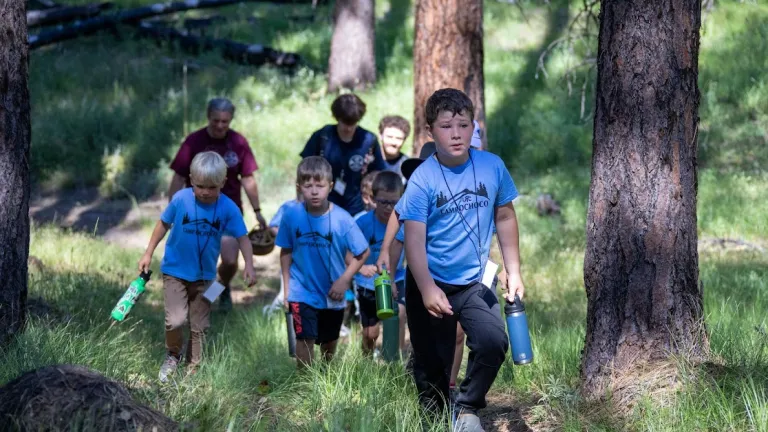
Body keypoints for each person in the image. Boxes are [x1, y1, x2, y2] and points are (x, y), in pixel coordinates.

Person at [395, 88, 525, 431]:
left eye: (464, 125)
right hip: (430, 280)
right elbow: (413, 241)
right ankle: (436, 421)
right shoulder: (422, 178)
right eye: (446, 126)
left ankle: (467, 406)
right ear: (430, 131)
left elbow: (506, 218)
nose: (456, 134)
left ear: (473, 127)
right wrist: (425, 288)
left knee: (493, 341)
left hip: (473, 281)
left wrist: (514, 271)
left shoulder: (491, 166)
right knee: (431, 364)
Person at [138, 152, 256, 382]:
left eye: (212, 187)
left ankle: (194, 370)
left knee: (200, 324)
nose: (204, 192)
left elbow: (242, 237)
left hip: (205, 277)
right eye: (200, 186)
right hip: (175, 272)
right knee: (176, 320)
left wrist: (249, 265)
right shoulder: (181, 199)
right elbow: (163, 224)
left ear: (223, 183)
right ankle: (173, 354)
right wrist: (148, 252)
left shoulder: (228, 208)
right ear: (191, 179)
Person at [167, 98, 267, 311]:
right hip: (196, 212)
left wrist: (257, 211)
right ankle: (192, 303)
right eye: (216, 121)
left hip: (228, 213)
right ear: (208, 117)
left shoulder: (238, 142)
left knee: (230, 262)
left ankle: (218, 291)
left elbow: (248, 178)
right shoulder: (194, 142)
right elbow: (177, 178)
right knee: (198, 262)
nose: (220, 125)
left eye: (225, 121)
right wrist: (173, 211)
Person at [276, 156, 370, 369]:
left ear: (331, 186)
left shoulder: (343, 219)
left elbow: (362, 252)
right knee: (304, 338)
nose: (314, 191)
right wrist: (287, 289)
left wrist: (344, 280)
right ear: (299, 187)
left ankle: (326, 371)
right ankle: (306, 383)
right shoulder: (291, 216)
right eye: (308, 186)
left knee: (329, 341)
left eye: (320, 185)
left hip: (332, 292)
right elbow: (286, 251)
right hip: (302, 289)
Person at [300, 94, 387, 217]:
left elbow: (379, 173)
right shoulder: (323, 137)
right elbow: (303, 170)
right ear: (337, 118)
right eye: (344, 122)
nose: (348, 128)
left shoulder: (368, 141)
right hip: (323, 204)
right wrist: (301, 199)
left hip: (357, 206)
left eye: (353, 123)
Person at [353, 171, 405, 356]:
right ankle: (366, 360)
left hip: (397, 278)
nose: (389, 208)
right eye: (383, 202)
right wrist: (362, 267)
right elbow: (348, 253)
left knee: (398, 313)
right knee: (370, 334)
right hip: (368, 283)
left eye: (394, 202)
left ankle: (393, 358)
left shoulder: (405, 223)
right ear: (373, 199)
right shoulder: (362, 223)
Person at [262, 191, 303, 316]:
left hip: (306, 262)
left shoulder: (317, 209)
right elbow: (273, 226)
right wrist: (286, 236)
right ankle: (270, 314)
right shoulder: (288, 207)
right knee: (285, 293)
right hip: (291, 261)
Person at [378, 115, 411, 180]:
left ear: (405, 140)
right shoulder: (368, 161)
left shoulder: (408, 166)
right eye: (389, 137)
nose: (393, 143)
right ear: (380, 136)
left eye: (398, 138)